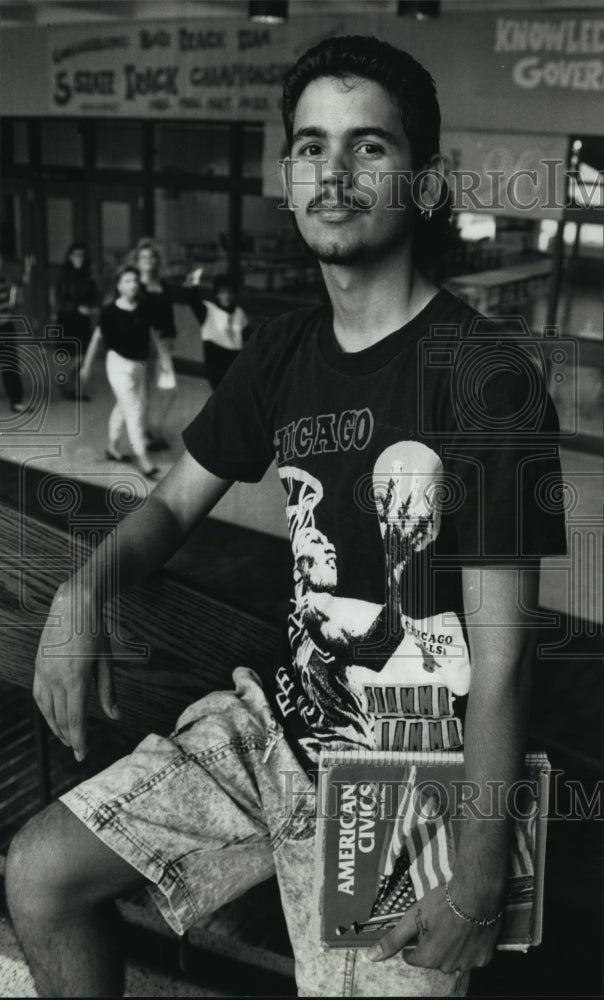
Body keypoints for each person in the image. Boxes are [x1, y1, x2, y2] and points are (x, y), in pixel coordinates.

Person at [6, 36, 567, 998]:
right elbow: (175, 505)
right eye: (312, 147)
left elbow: (503, 653)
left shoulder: (491, 377)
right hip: (277, 727)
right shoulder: (282, 351)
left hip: (409, 780)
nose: (334, 174)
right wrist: (80, 590)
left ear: (424, 184)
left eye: (369, 148)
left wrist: (476, 869)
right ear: (284, 175)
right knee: (40, 875)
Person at [88, 264, 160, 480]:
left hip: (139, 365)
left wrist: (162, 357)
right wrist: (86, 367)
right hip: (118, 365)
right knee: (134, 410)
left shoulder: (143, 307)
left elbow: (150, 333)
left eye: (135, 281)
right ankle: (143, 458)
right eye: (127, 281)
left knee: (124, 405)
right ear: (118, 286)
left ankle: (112, 447)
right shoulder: (110, 311)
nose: (133, 285)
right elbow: (96, 338)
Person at [133, 238, 178, 451]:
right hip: (142, 345)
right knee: (144, 392)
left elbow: (168, 314)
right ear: (137, 261)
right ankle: (144, 433)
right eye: (143, 257)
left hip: (162, 344)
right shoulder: (135, 286)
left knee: (169, 389)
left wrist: (171, 337)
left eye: (152, 257)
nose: (148, 261)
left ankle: (154, 427)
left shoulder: (162, 285)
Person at [182, 272, 249, 390]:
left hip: (235, 360)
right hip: (216, 359)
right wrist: (193, 282)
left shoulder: (239, 313)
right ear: (217, 294)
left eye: (230, 292)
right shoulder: (209, 311)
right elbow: (193, 299)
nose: (227, 296)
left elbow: (248, 338)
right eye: (223, 292)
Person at [54, 243, 98, 400]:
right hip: (68, 317)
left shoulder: (87, 274)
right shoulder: (63, 274)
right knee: (70, 354)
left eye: (82, 255)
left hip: (83, 319)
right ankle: (65, 383)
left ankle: (73, 386)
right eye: (76, 255)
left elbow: (93, 295)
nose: (79, 258)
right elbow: (59, 299)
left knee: (83, 354)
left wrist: (92, 307)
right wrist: (77, 307)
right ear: (70, 256)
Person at [0, 253, 25, 413]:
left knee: (9, 363)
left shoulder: (6, 282)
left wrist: (16, 301)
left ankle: (16, 400)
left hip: (5, 326)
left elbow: (12, 306)